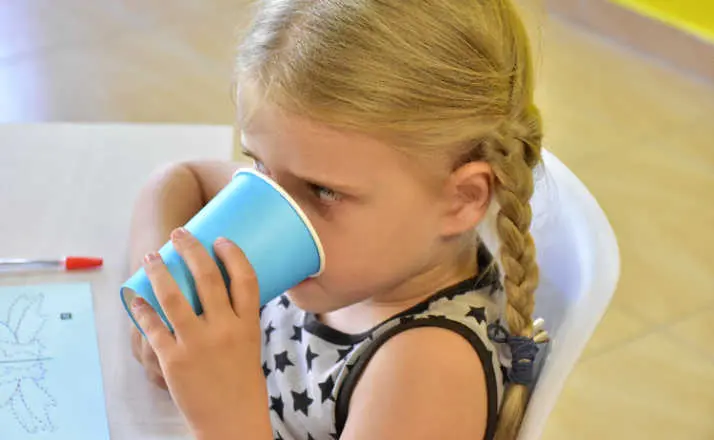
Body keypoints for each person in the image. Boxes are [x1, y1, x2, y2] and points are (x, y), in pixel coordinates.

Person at [127, 1, 548, 439]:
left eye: (323, 191)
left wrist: (224, 418)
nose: (276, 211)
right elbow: (177, 180)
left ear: (460, 200)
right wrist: (158, 300)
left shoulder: (427, 372)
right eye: (261, 166)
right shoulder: (352, 244)